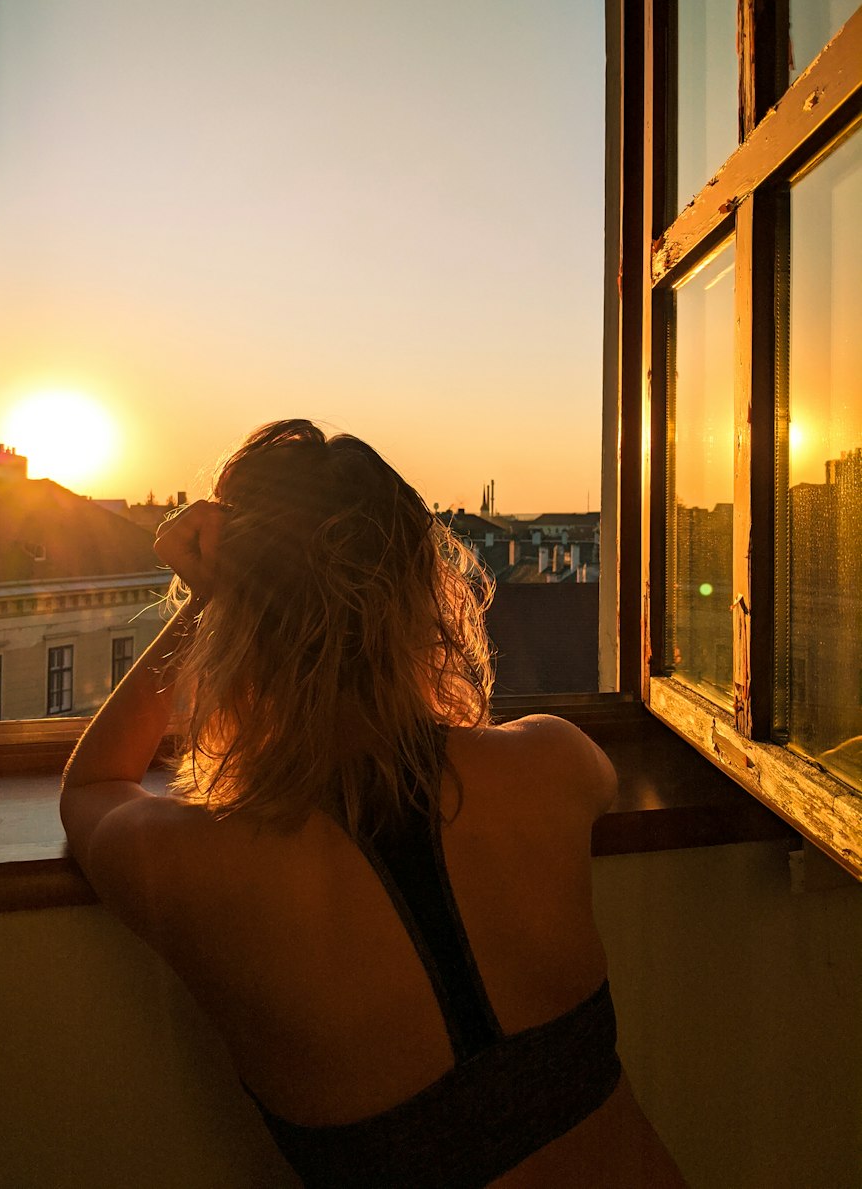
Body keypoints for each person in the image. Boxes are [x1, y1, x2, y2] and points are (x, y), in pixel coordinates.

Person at [61, 419, 686, 1187]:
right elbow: (595, 781)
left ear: (239, 624)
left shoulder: (201, 861)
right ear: (422, 590)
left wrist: (205, 600)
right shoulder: (550, 760)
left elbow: (92, 784)